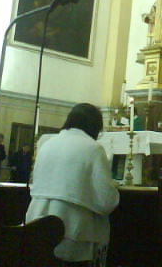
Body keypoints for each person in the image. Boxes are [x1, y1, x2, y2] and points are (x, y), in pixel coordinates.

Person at [26, 103, 119, 266]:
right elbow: (106, 201)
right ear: (95, 126)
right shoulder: (94, 148)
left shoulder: (47, 144)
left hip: (36, 226)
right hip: (73, 231)